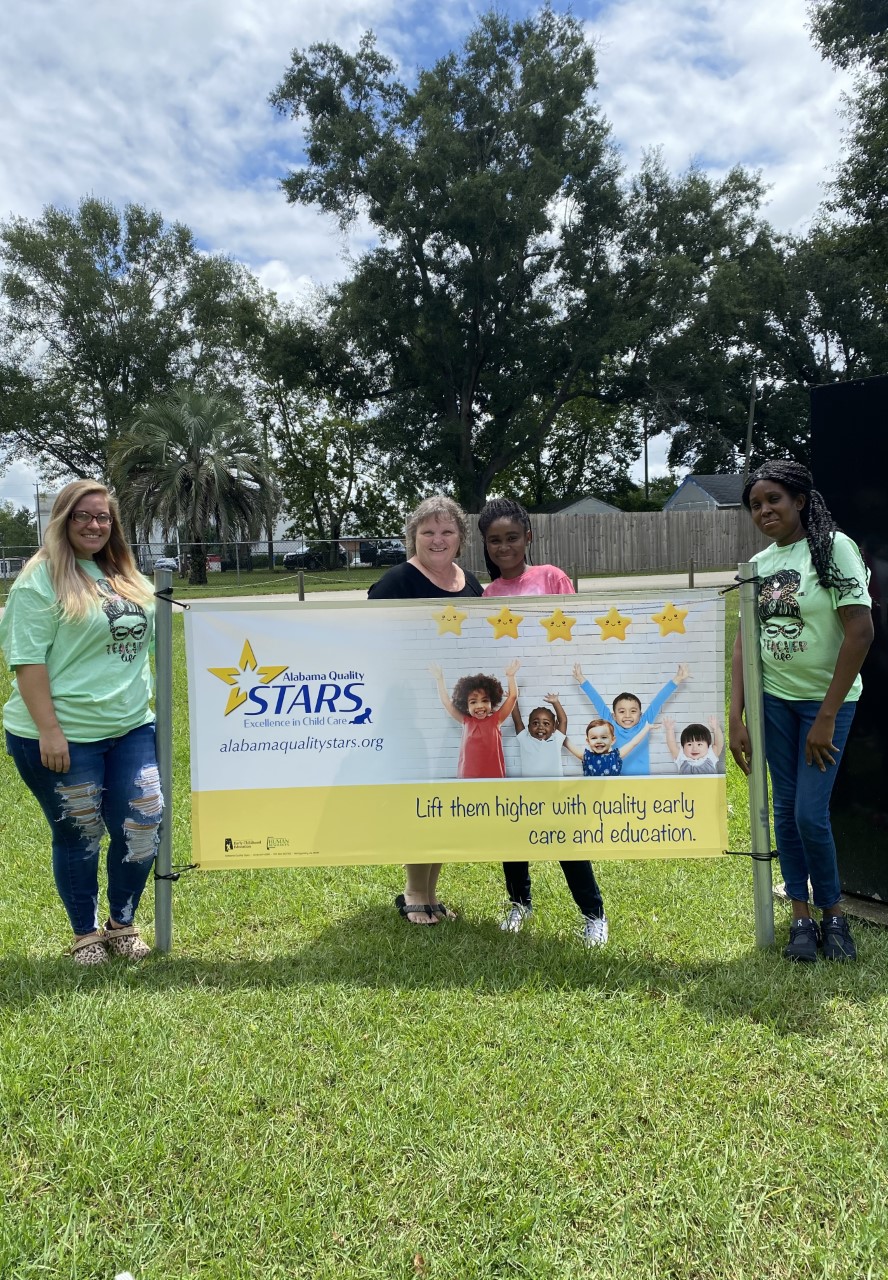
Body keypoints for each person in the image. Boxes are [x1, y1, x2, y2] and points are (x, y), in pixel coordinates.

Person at [0, 480, 163, 964]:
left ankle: (122, 923)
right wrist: (50, 731)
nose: (95, 525)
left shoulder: (127, 575)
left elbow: (155, 641)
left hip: (131, 727)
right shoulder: (39, 579)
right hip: (61, 735)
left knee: (144, 822)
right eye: (83, 516)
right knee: (80, 833)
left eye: (103, 517)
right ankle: (85, 934)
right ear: (63, 520)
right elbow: (27, 662)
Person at [729, 460, 873, 962]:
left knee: (811, 814)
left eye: (774, 500)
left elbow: (860, 631)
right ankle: (800, 918)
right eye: (755, 505)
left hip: (825, 704)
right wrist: (736, 717)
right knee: (785, 816)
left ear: (800, 502)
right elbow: (744, 645)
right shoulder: (759, 564)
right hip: (774, 704)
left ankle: (834, 916)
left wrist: (827, 715)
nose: (764, 510)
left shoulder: (834, 549)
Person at [478, 496, 609, 946]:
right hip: (515, 708)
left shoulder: (552, 577)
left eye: (512, 537)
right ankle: (519, 902)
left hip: (551, 702)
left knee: (562, 822)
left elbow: (577, 632)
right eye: (494, 541)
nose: (504, 547)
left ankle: (593, 913)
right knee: (514, 819)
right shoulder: (488, 595)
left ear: (529, 537)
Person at [368, 494, 483, 925]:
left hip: (460, 714)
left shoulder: (470, 582)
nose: (438, 539)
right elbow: (372, 646)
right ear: (413, 536)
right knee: (424, 798)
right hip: (412, 713)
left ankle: (432, 892)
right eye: (428, 531)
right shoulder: (395, 583)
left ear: (460, 538)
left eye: (447, 531)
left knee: (448, 797)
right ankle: (415, 891)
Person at [572, 663, 689, 776]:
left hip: (641, 780)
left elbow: (659, 700)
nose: (627, 715)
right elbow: (596, 700)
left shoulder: (645, 723)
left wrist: (678, 678)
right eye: (622, 711)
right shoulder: (610, 724)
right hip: (614, 779)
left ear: (640, 714)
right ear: (614, 715)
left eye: (633, 711)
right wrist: (581, 679)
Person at [430, 661, 520, 778]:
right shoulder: (465, 721)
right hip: (467, 778)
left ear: (491, 702)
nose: (479, 706)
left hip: (493, 778)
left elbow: (512, 697)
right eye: (473, 702)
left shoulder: (496, 720)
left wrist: (511, 676)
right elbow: (447, 702)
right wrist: (440, 679)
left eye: (485, 700)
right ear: (466, 705)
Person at [565, 717, 652, 777]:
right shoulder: (587, 757)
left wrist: (646, 728)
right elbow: (567, 743)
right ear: (588, 741)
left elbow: (633, 743)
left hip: (613, 798)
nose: (599, 741)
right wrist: (558, 733)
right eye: (594, 738)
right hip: (593, 798)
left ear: (612, 740)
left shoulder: (615, 756)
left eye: (604, 737)